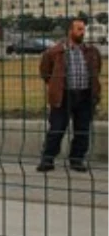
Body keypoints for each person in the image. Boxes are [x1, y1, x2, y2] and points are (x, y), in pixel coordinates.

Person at [38, 18, 102, 173]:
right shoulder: (56, 51)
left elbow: (97, 69)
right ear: (70, 31)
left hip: (85, 95)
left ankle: (77, 159)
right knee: (57, 128)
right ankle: (47, 159)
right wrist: (55, 85)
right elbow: (45, 71)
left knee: (82, 130)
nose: (82, 32)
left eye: (83, 29)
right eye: (79, 29)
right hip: (63, 95)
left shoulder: (91, 51)